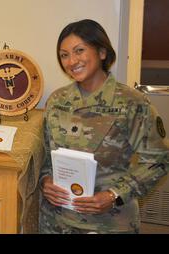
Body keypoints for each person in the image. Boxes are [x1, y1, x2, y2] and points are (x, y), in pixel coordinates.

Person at [39, 19, 168, 234]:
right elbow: (45, 156)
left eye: (79, 50)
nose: (72, 61)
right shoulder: (56, 100)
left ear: (101, 52)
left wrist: (114, 195)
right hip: (56, 221)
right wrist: (45, 181)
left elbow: (159, 161)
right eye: (64, 55)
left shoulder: (131, 102)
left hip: (109, 223)